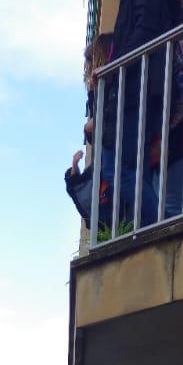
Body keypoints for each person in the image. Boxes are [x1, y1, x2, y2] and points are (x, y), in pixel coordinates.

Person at [100, 0, 181, 229]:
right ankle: (149, 227)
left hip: (138, 90)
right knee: (132, 170)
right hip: (140, 89)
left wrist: (113, 69)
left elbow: (144, 32)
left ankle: (161, 225)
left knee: (117, 169)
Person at [66, 31, 114, 224]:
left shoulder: (109, 85)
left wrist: (89, 127)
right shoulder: (100, 88)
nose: (89, 68)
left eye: (91, 60)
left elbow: (102, 122)